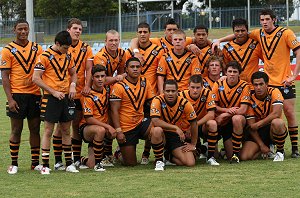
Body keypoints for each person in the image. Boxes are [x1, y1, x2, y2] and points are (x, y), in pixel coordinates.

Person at [213, 9, 300, 157]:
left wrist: (294, 75)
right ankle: (259, 146)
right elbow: (239, 34)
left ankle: (294, 149)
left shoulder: (286, 33)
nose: (264, 22)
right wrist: (219, 40)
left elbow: (298, 51)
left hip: (284, 80)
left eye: (267, 19)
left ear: (274, 19)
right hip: (265, 83)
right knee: (255, 116)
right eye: (262, 19)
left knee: (289, 113)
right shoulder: (258, 33)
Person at [33, 30, 78, 175]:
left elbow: (73, 73)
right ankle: (45, 165)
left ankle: (69, 164)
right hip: (51, 98)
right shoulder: (44, 57)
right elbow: (36, 78)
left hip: (65, 97)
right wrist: (53, 91)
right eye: (65, 47)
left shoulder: (68, 55)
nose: (67, 50)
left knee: (66, 130)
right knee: (48, 131)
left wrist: (72, 85)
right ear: (57, 44)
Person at [1, 19, 43, 174]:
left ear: (29, 29)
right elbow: (5, 77)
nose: (23, 32)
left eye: (25, 29)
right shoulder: (7, 50)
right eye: (20, 29)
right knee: (16, 129)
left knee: (35, 129)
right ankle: (14, 163)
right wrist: (10, 99)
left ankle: (35, 163)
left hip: (35, 94)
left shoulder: (37, 48)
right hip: (17, 95)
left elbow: (43, 73)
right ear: (14, 30)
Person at [52, 18, 94, 171]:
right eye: (75, 28)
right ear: (68, 30)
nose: (77, 31)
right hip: (62, 93)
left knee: (75, 125)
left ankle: (75, 159)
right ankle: (58, 161)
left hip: (79, 93)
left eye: (80, 29)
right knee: (60, 127)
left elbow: (89, 69)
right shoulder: (63, 47)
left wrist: (88, 85)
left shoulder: (86, 48)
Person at [110, 57, 155, 166]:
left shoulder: (145, 82)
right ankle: (118, 153)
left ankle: (149, 155)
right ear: (126, 69)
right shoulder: (118, 86)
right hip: (126, 127)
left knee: (157, 129)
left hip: (141, 121)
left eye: (137, 67)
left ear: (141, 68)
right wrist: (119, 131)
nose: (135, 69)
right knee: (131, 164)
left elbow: (152, 102)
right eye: (132, 67)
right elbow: (114, 111)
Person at [150, 79, 198, 171]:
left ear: (177, 91)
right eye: (167, 91)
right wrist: (175, 127)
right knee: (157, 130)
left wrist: (193, 143)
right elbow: (155, 121)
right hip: (162, 134)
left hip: (176, 136)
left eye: (173, 91)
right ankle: (159, 161)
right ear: (163, 91)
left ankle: (168, 156)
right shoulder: (157, 100)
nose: (170, 93)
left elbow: (194, 123)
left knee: (190, 163)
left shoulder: (184, 103)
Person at [240, 71, 287, 161]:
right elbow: (252, 126)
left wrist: (260, 123)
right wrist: (261, 145)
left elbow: (276, 113)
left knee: (278, 122)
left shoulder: (274, 91)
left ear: (267, 84)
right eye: (256, 85)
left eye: (261, 84)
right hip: (258, 132)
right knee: (244, 157)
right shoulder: (249, 98)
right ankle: (266, 149)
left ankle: (280, 152)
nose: (258, 87)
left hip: (272, 129)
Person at [79, 64, 116, 171]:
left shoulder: (107, 90)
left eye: (102, 76)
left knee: (90, 163)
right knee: (100, 130)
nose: (100, 79)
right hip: (87, 128)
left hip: (101, 128)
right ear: (92, 78)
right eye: (97, 77)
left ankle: (82, 159)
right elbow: (89, 119)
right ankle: (99, 164)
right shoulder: (87, 95)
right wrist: (108, 127)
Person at [212, 61, 251, 163]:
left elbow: (243, 110)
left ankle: (236, 155)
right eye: (230, 71)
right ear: (225, 72)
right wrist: (226, 110)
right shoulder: (218, 84)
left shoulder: (244, 86)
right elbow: (213, 106)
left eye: (235, 71)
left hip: (234, 119)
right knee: (210, 123)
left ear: (239, 73)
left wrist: (226, 114)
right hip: (222, 121)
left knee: (237, 118)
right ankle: (210, 150)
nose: (232, 74)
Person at [179, 75, 219, 165]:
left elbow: (211, 114)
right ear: (188, 86)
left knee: (212, 124)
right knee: (192, 156)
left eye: (198, 87)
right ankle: (202, 148)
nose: (195, 90)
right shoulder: (181, 95)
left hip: (201, 126)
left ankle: (210, 157)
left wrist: (194, 126)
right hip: (186, 128)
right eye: (193, 87)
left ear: (202, 86)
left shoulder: (208, 93)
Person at [157, 29, 201, 94]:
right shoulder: (165, 57)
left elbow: (195, 78)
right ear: (172, 41)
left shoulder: (193, 58)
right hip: (170, 92)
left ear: (185, 41)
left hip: (186, 93)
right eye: (175, 39)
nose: (177, 41)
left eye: (180, 40)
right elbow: (160, 77)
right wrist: (162, 94)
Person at [222, 18, 263, 83]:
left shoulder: (256, 45)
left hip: (253, 86)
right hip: (235, 86)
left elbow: (267, 61)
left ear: (247, 31)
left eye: (243, 30)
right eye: (237, 31)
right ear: (233, 32)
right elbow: (225, 69)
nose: (240, 33)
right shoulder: (227, 48)